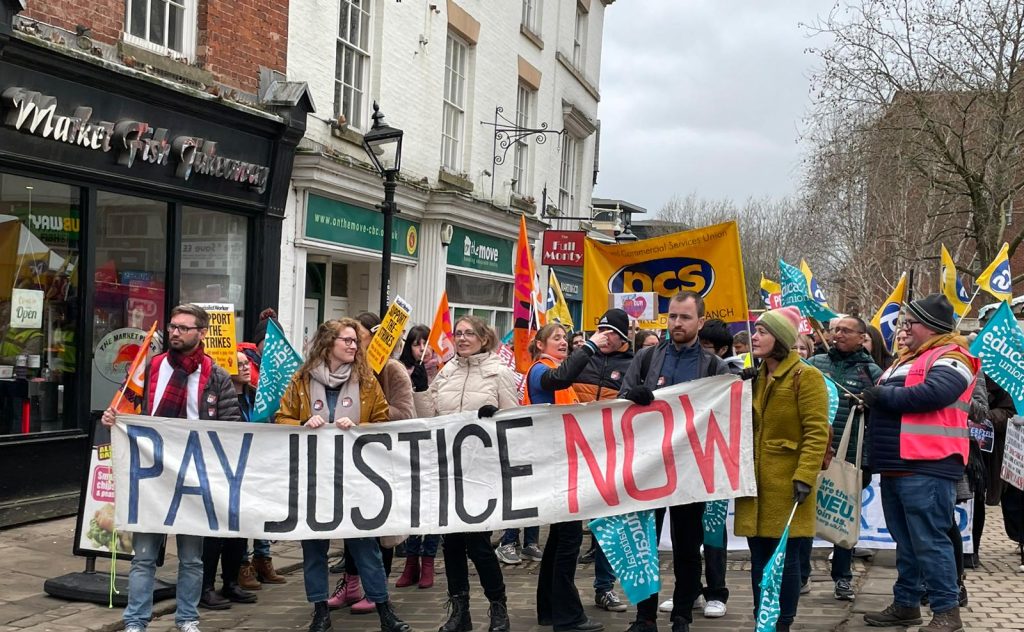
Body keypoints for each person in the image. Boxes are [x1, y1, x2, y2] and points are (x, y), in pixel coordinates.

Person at [101, 304, 242, 632]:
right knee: (144, 556)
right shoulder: (150, 368)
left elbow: (232, 427)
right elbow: (127, 403)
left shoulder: (216, 375)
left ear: (201, 333)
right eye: (173, 326)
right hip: (152, 475)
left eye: (183, 328)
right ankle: (136, 621)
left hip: (195, 478)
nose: (175, 332)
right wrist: (113, 417)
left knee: (192, 558)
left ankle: (188, 618)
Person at [275, 318, 410, 632]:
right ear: (328, 343)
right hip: (315, 479)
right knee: (314, 548)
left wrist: (361, 428)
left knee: (365, 546)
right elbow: (282, 419)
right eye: (346, 340)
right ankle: (320, 610)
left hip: (356, 480)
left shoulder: (366, 380)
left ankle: (384, 610)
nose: (353, 346)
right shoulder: (302, 380)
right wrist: (302, 425)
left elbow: (382, 423)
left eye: (354, 341)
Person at [861, 294, 979, 632]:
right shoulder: (905, 360)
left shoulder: (954, 355)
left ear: (931, 326)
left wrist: (880, 395)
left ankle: (946, 612)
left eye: (909, 322)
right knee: (908, 542)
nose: (902, 329)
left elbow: (933, 394)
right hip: (899, 464)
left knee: (930, 541)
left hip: (928, 464)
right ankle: (906, 604)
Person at [619, 291, 731, 632]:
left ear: (700, 321)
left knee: (686, 547)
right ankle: (645, 616)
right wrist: (631, 399)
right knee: (645, 545)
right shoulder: (646, 358)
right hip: (648, 467)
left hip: (690, 470)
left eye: (684, 317)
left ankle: (682, 613)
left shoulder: (715, 366)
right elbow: (619, 404)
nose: (676, 323)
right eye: (672, 317)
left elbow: (724, 418)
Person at [413, 315, 516, 632]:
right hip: (449, 471)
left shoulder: (499, 373)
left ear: (484, 338)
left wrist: (494, 418)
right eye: (457, 333)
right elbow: (429, 418)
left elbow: (515, 422)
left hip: (482, 473)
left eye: (469, 333)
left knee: (479, 545)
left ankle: (498, 608)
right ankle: (460, 611)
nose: (462, 338)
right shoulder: (446, 372)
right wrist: (419, 389)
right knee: (452, 545)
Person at [734, 307, 830, 632]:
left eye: (762, 331)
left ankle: (782, 623)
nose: (754, 337)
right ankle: (763, 618)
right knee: (760, 561)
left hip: (787, 485)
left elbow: (817, 431)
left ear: (781, 339)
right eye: (755, 331)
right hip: (755, 485)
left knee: (785, 562)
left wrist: (804, 476)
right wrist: (740, 390)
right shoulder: (756, 377)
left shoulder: (807, 376)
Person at [519, 322, 608, 632]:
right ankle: (568, 616)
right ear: (540, 345)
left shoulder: (548, 370)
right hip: (557, 467)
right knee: (568, 540)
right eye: (556, 338)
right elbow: (561, 378)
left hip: (561, 463)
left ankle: (550, 609)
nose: (563, 342)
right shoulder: (541, 372)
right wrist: (591, 347)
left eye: (565, 339)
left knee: (559, 540)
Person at [807, 316, 882, 601]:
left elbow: (883, 410)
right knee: (806, 516)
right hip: (815, 453)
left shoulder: (871, 371)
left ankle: (842, 578)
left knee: (843, 519)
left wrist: (869, 402)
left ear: (862, 337)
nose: (837, 334)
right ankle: (801, 575)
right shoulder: (816, 364)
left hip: (852, 457)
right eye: (835, 329)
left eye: (845, 330)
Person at [234, 349, 288, 592]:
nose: (245, 368)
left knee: (262, 512)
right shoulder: (227, 397)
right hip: (238, 465)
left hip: (260, 463)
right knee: (243, 516)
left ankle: (262, 558)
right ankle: (242, 563)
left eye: (247, 364)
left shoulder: (257, 397)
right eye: (239, 364)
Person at [394, 324, 440, 589]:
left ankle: (428, 561)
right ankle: (411, 562)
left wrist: (424, 386)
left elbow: (432, 414)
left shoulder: (437, 372)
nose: (421, 349)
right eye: (416, 343)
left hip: (431, 449)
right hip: (406, 449)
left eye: (425, 343)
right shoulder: (399, 370)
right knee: (411, 508)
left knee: (431, 507)